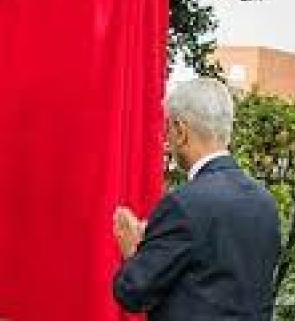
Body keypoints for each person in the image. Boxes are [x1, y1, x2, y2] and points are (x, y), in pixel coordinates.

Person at [112, 78, 281, 321]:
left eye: (168, 130)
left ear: (180, 131)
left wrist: (134, 251)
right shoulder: (265, 203)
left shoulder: (183, 205)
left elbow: (133, 292)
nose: (166, 140)